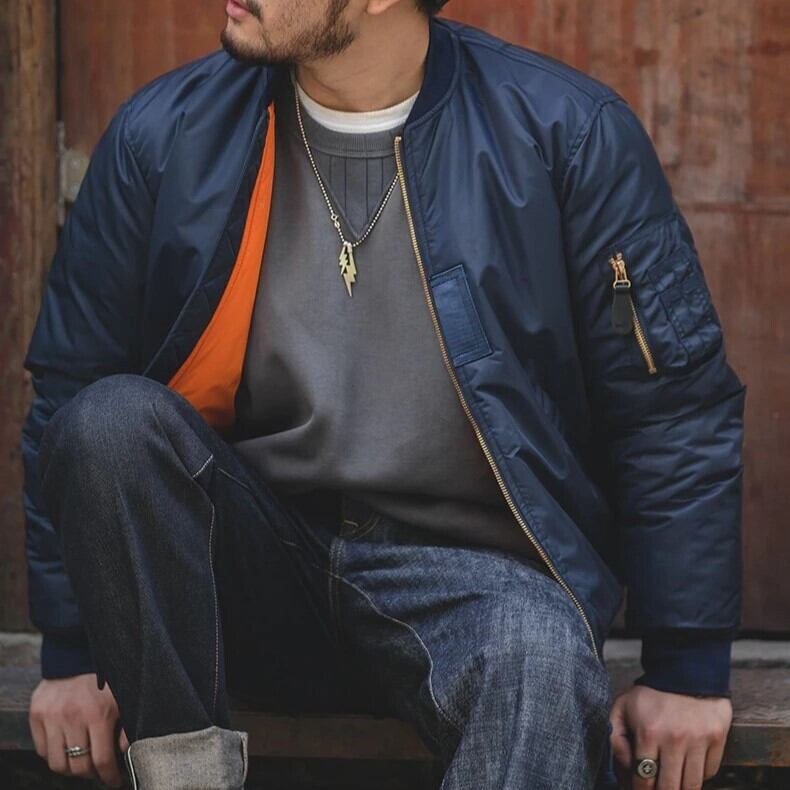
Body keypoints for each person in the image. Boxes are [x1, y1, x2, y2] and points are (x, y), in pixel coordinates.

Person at [21, 1, 746, 788]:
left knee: (540, 659)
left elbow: (670, 412)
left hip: (474, 582)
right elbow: (71, 390)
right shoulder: (165, 135)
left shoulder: (567, 134)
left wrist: (686, 666)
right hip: (247, 567)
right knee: (109, 423)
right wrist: (74, 653)